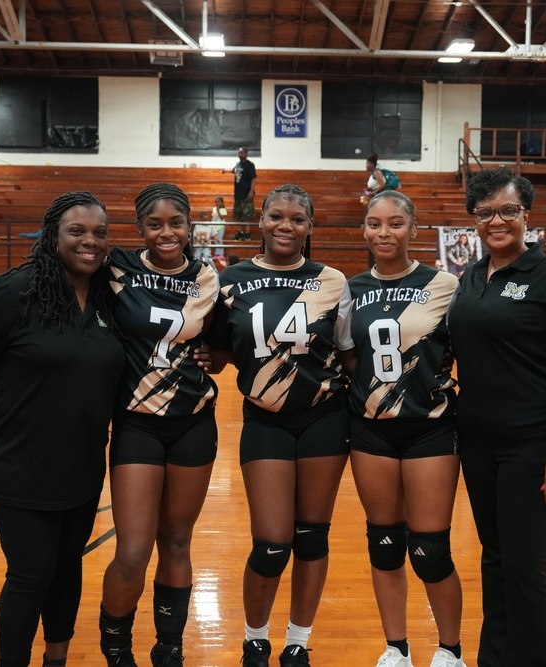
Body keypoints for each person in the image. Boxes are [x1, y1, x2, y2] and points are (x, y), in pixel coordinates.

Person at [0, 191, 124, 667]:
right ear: (53, 236)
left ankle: (56, 658)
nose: (90, 241)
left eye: (100, 233)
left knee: (66, 569)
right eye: (77, 231)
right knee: (32, 571)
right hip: (20, 462)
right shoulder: (17, 290)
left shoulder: (109, 296)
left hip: (82, 463)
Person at [447, 167, 546, 667]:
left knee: (525, 565)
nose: (497, 221)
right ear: (474, 220)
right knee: (495, 559)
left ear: (526, 215)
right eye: (485, 213)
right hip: (478, 443)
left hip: (533, 445)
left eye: (508, 210)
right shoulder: (468, 278)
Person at [205, 183, 353, 667]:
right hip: (264, 420)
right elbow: (222, 352)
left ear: (310, 227)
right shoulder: (230, 279)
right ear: (261, 221)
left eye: (297, 219)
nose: (285, 226)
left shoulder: (333, 279)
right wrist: (211, 358)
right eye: (276, 216)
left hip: (324, 419)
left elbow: (349, 353)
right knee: (271, 544)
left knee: (312, 537)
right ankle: (254, 638)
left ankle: (297, 642)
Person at [100, 183, 220, 667]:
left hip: (193, 421)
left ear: (190, 227)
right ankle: (116, 647)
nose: (167, 232)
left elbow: (224, 344)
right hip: (137, 424)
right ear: (140, 229)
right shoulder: (118, 267)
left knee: (176, 540)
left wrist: (219, 356)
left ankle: (169, 647)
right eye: (155, 224)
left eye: (176, 223)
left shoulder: (209, 277)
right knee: (131, 549)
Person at [345, 191, 465, 667]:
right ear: (364, 230)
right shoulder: (348, 289)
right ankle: (396, 648)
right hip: (371, 430)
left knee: (430, 550)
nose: (384, 233)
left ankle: (450, 650)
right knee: (385, 544)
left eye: (395, 224)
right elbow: (350, 357)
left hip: (430, 428)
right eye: (374, 224)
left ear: (414, 229)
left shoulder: (445, 286)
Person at [224, 147, 257, 239]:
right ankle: (240, 233)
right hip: (238, 194)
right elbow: (234, 171)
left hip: (246, 194)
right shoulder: (238, 164)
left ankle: (247, 234)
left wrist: (251, 192)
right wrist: (225, 170)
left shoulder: (250, 165)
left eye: (242, 153)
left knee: (246, 216)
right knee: (238, 216)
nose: (240, 154)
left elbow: (254, 178)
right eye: (239, 153)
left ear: (246, 154)